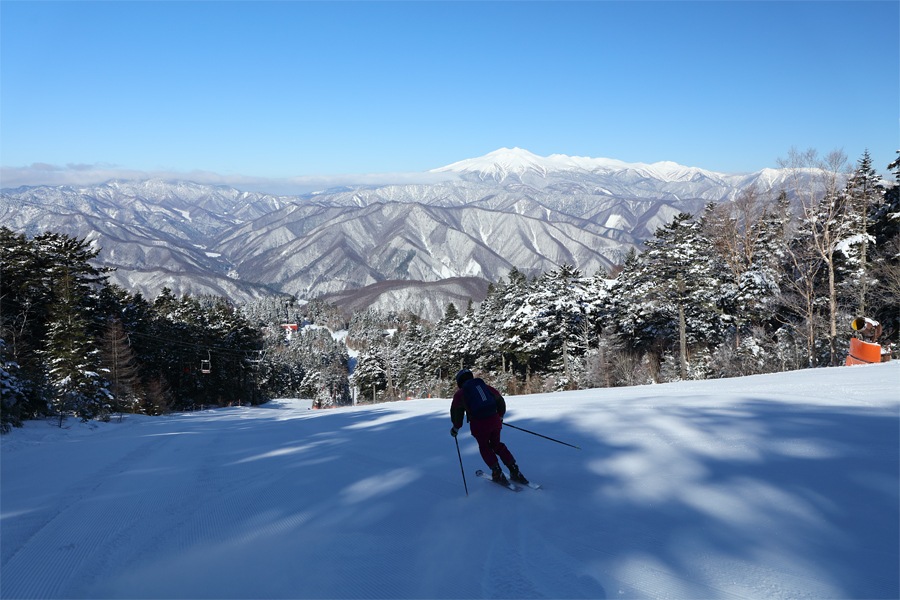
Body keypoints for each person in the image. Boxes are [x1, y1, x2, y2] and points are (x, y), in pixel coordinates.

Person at [449, 369, 528, 485]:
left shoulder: (460, 393)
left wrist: (455, 428)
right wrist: (500, 416)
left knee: (485, 447)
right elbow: (500, 400)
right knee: (497, 445)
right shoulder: (484, 387)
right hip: (495, 420)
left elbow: (456, 412)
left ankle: (497, 472)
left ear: (459, 382)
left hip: (479, 424)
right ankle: (514, 470)